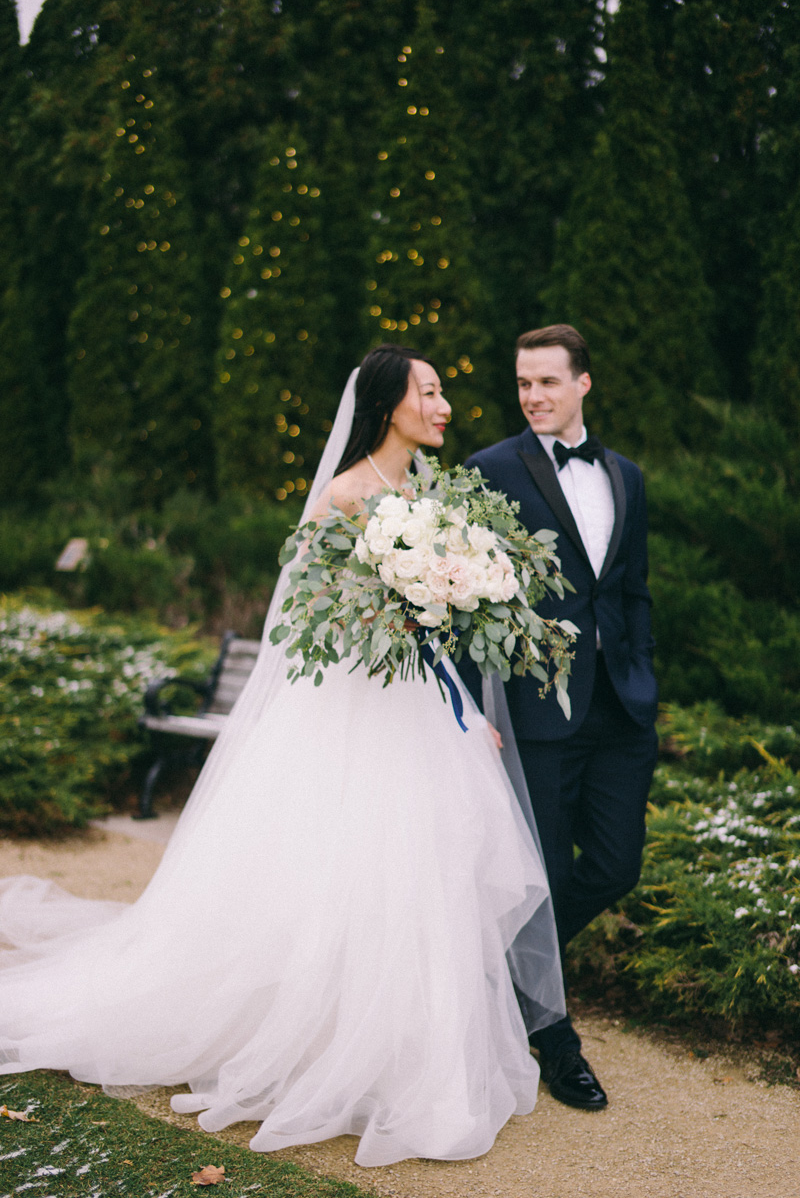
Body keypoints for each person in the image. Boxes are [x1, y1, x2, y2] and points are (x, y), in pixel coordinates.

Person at [0, 344, 565, 1168]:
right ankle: (314, 1050)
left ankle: (406, 1058)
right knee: (339, 875)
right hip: (352, 713)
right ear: (388, 405)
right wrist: (388, 609)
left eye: (443, 392)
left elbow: (437, 621)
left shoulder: (434, 497)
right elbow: (305, 617)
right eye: (430, 392)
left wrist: (460, 703)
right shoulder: (343, 497)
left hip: (419, 710)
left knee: (416, 875)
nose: (444, 405)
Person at [458, 324, 659, 1111]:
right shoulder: (489, 471)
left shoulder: (627, 477)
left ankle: (502, 981)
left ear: (583, 383)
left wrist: (643, 670)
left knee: (614, 867)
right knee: (539, 880)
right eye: (522, 384)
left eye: (547, 382)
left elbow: (633, 585)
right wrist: (479, 707)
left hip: (621, 707)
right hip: (534, 713)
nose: (533, 396)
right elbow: (461, 591)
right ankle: (554, 1039)